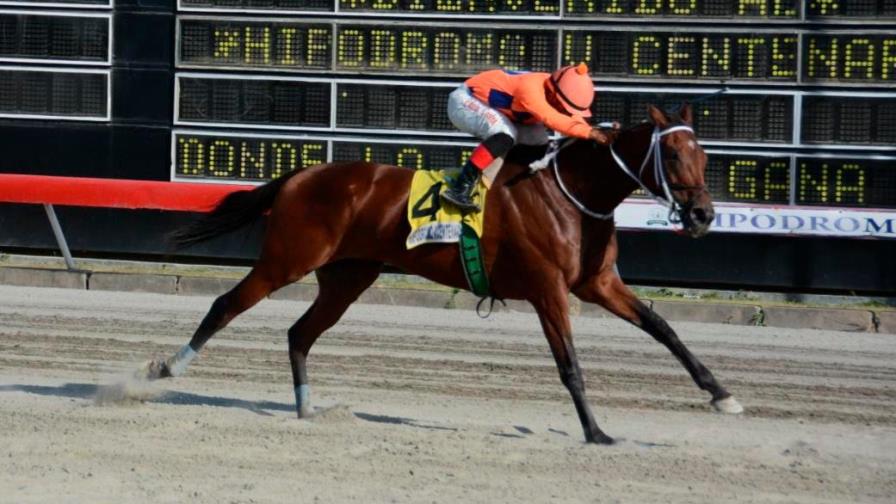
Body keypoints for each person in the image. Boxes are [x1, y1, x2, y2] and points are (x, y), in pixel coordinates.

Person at [441, 63, 619, 213]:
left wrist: (596, 130)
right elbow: (554, 119)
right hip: (465, 101)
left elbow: (573, 119)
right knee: (505, 135)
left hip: (506, 112)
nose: (566, 112)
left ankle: (513, 186)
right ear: (552, 93)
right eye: (564, 107)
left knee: (539, 142)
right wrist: (590, 133)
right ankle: (460, 187)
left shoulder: (555, 89)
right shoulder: (531, 90)